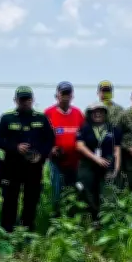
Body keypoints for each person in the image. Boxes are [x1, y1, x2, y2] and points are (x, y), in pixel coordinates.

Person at [0, 86, 55, 232]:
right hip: (12, 167)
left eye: (27, 99)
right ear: (16, 100)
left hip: (34, 167)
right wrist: (15, 147)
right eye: (22, 99)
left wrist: (41, 154)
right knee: (9, 200)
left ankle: (27, 231)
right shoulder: (7, 118)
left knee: (31, 200)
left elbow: (50, 140)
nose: (25, 102)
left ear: (32, 100)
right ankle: (7, 232)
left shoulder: (41, 118)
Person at [45, 81, 86, 215]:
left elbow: (85, 135)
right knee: (57, 193)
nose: (65, 96)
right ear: (57, 95)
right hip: (57, 161)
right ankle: (57, 219)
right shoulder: (48, 113)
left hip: (75, 162)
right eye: (63, 93)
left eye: (68, 93)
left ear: (72, 96)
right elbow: (41, 136)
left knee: (75, 192)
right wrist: (50, 149)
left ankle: (73, 219)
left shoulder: (78, 113)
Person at [76, 102, 122, 222]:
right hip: (88, 166)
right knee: (89, 195)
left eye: (100, 111)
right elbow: (80, 146)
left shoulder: (113, 129)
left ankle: (105, 222)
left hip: (106, 167)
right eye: (95, 112)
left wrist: (116, 169)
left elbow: (117, 150)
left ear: (105, 113)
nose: (98, 114)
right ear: (90, 114)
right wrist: (96, 158)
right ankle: (92, 222)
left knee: (107, 195)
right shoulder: (84, 128)